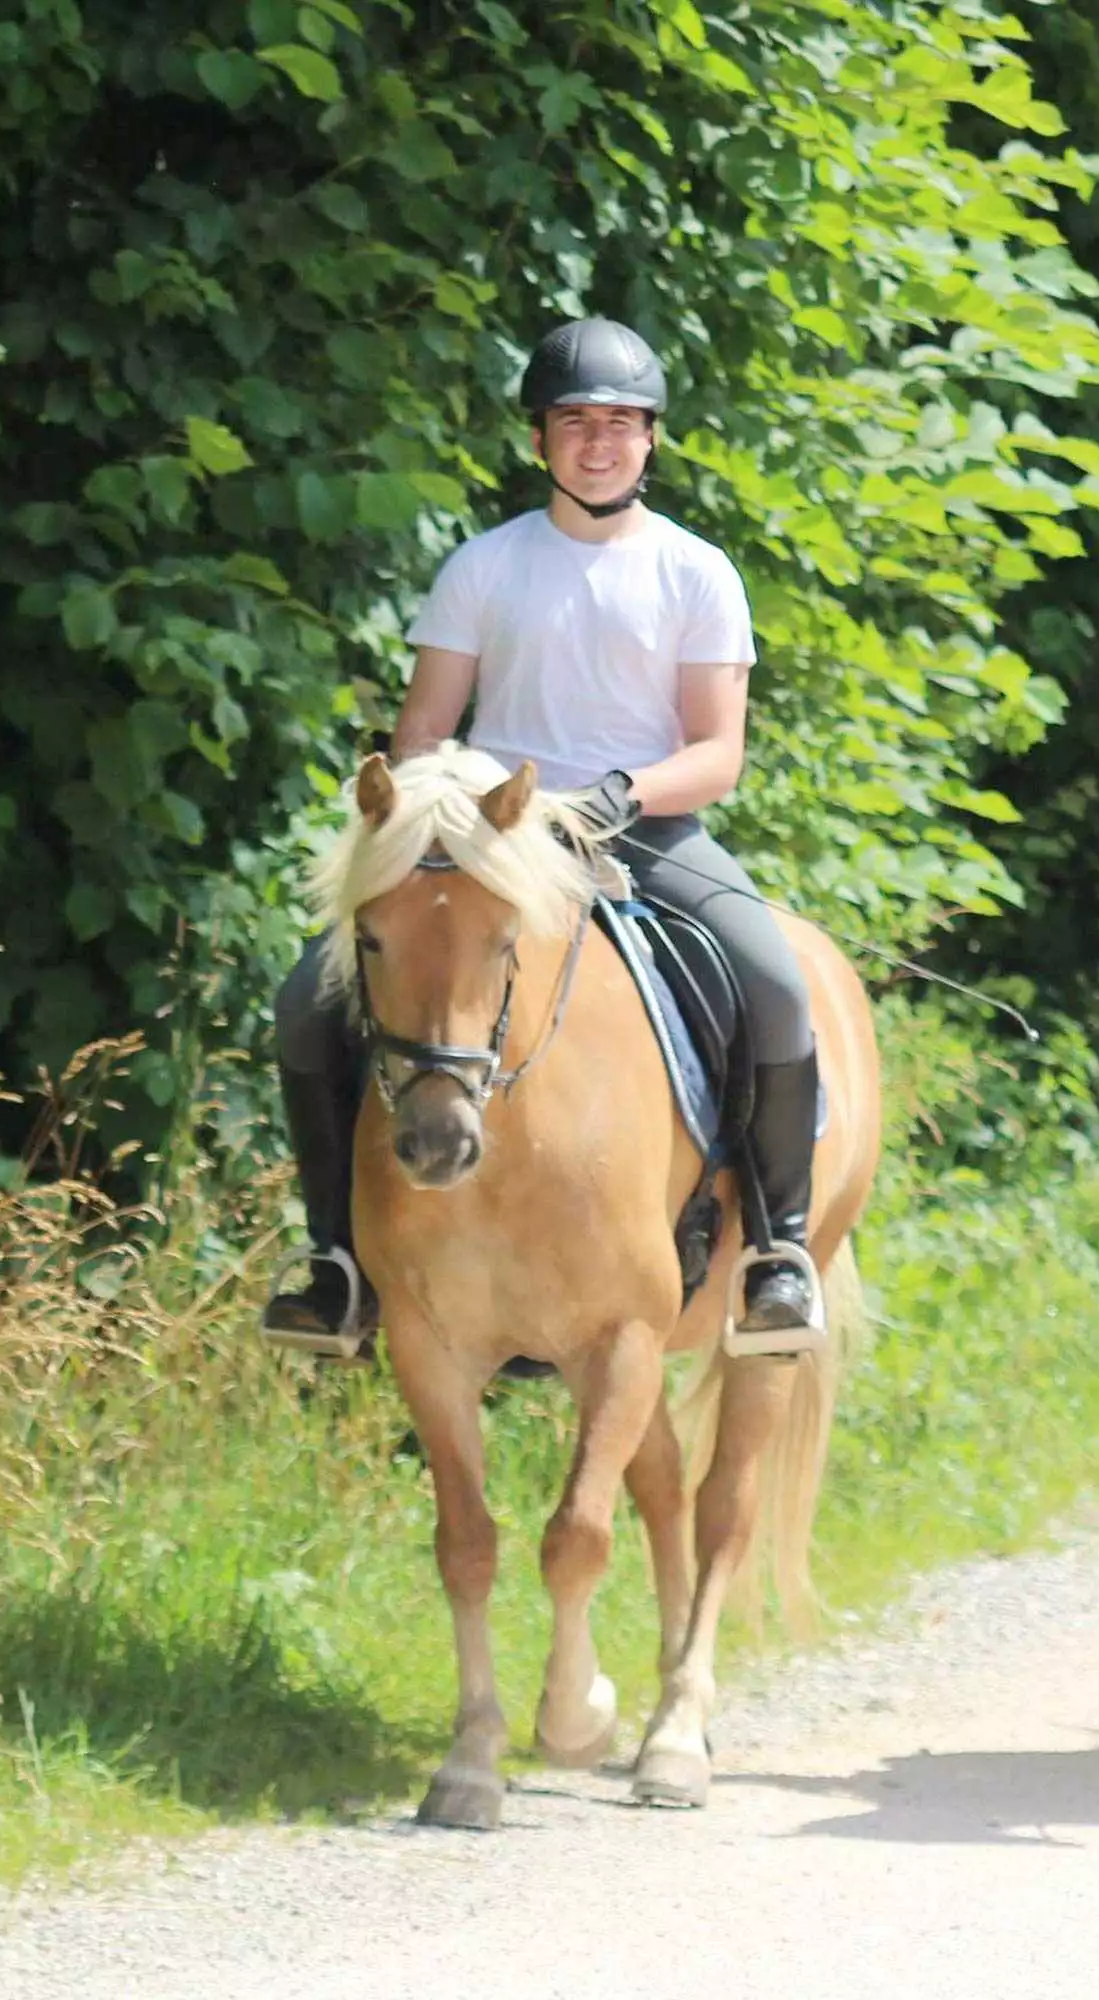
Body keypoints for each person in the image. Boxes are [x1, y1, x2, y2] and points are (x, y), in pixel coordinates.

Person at [261, 316, 827, 1353]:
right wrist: (450, 807)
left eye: (619, 423)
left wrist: (617, 795)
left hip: (642, 833)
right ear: (539, 441)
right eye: (574, 423)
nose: (597, 443)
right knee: (308, 1001)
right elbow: (423, 731)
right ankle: (335, 1261)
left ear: (650, 439)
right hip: (487, 842)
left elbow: (717, 753)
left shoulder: (697, 571)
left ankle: (778, 1252)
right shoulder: (484, 566)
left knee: (775, 985)